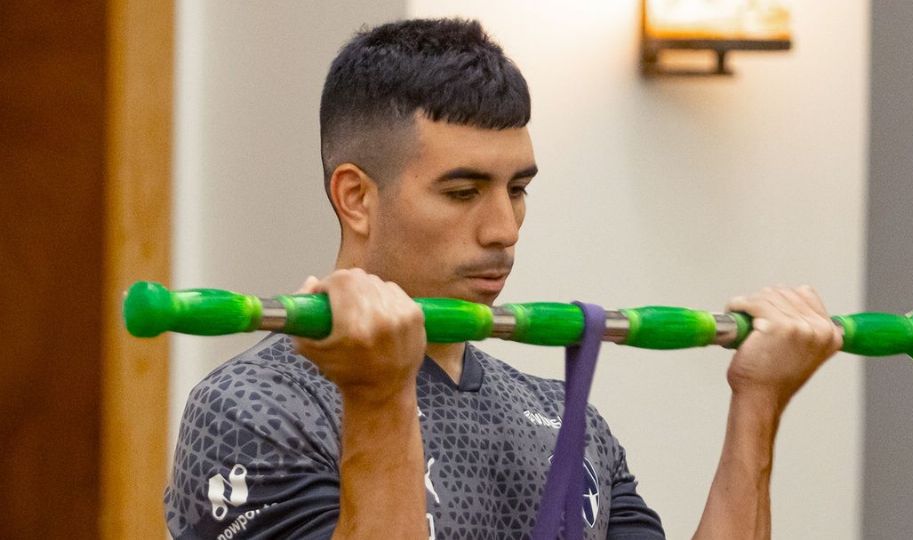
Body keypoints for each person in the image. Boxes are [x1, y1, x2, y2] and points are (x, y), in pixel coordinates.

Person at [164, 18, 842, 539]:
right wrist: (378, 396)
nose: (504, 228)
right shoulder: (254, 409)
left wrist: (759, 404)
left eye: (516, 188)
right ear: (356, 197)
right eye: (462, 192)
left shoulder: (560, 417)